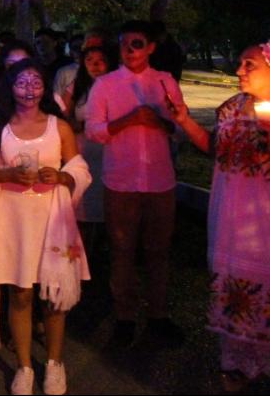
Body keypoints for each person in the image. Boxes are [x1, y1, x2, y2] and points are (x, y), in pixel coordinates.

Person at [0, 59, 90, 395]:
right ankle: (23, 367)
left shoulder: (58, 126)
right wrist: (3, 175)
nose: (29, 90)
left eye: (36, 83)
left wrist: (62, 176)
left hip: (52, 220)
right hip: (13, 221)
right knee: (20, 294)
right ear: (11, 87)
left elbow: (79, 168)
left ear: (44, 87)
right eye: (22, 83)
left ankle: (54, 363)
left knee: (54, 296)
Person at [169, 41, 270, 393]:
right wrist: (183, 119)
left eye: (249, 64)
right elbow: (213, 148)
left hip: (265, 225)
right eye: (240, 63)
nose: (239, 70)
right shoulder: (230, 109)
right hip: (229, 219)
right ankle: (236, 365)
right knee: (234, 291)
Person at [86, 20, 187, 348]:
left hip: (159, 181)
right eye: (125, 44)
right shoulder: (105, 85)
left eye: (137, 43)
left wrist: (157, 119)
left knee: (158, 251)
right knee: (122, 251)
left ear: (151, 48)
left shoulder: (165, 82)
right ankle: (125, 317)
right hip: (121, 181)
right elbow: (94, 131)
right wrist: (129, 120)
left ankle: (158, 315)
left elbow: (180, 126)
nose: (130, 50)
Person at [63, 45, 116, 251]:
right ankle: (82, 250)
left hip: (108, 150)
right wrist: (72, 124)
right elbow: (63, 114)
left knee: (105, 198)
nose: (94, 65)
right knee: (83, 200)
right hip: (82, 150)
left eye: (100, 60)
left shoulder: (116, 86)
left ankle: (106, 247)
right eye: (89, 60)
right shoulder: (77, 87)